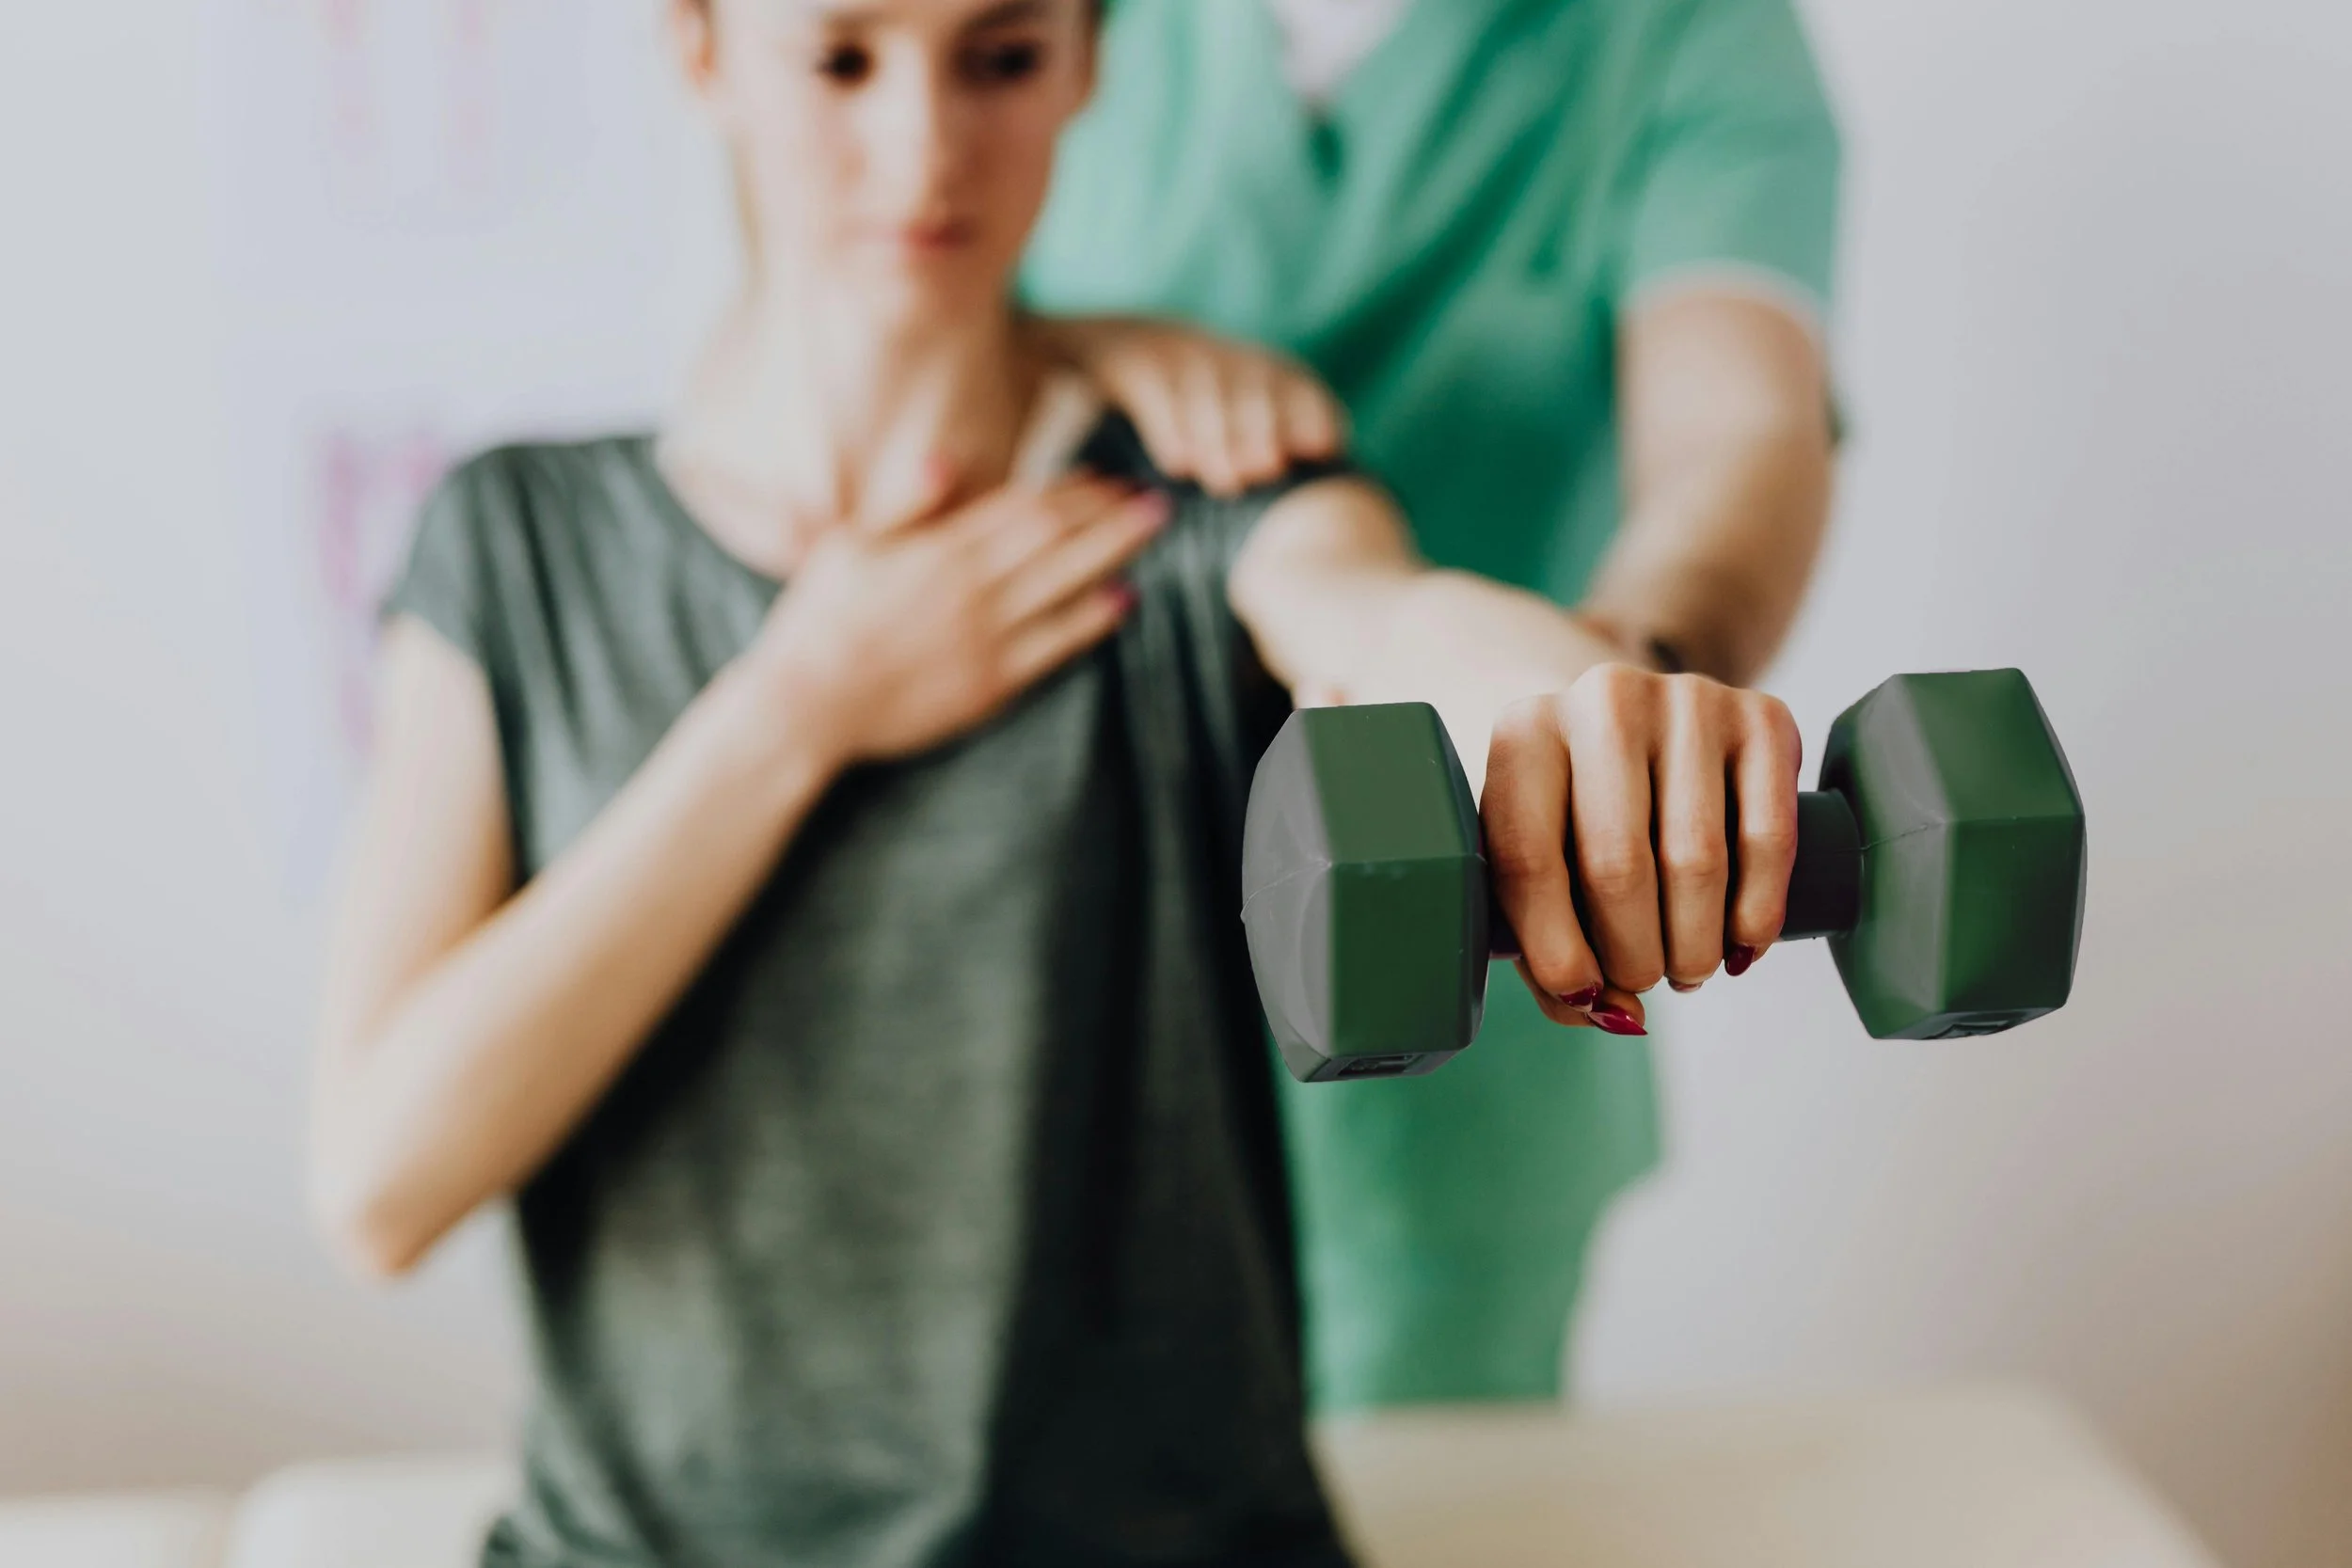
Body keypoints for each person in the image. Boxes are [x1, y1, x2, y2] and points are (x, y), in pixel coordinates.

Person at [309, 0, 1805, 1562]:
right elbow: (377, 1183)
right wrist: (794, 715)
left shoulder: (1206, 504)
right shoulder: (521, 537)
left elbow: (1386, 616)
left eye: (1001, 59)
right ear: (698, 50)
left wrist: (1580, 692)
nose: (924, 150)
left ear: (1093, 58)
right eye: (840, 60)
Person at [1021, 0, 1842, 1411]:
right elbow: (844, 312)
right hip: (1039, 985)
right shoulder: (1049, 31)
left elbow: (1743, 431)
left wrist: (1613, 702)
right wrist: (1065, 351)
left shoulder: (1684, 36)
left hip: (1459, 1026)